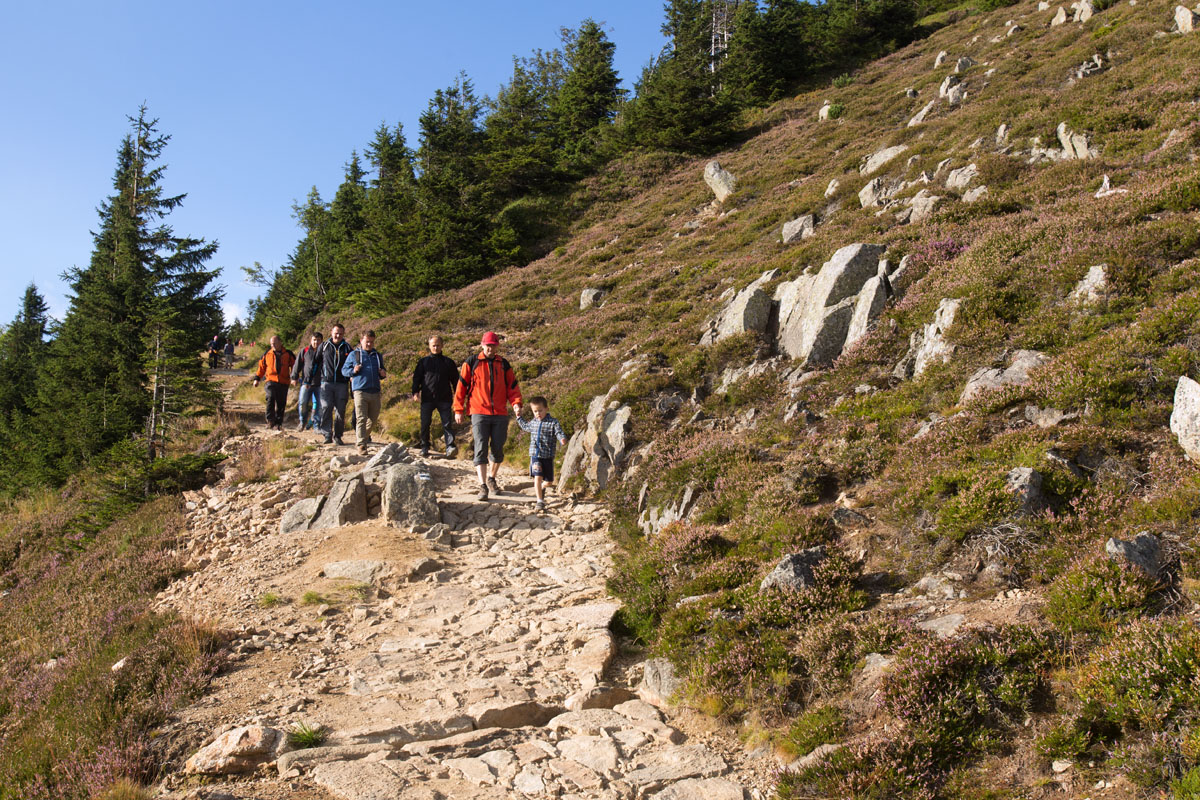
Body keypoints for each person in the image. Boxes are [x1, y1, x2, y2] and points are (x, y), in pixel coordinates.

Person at [453, 331, 523, 501]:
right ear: (482, 345)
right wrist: (458, 409)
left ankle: (492, 478)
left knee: (498, 448)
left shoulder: (504, 364)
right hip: (478, 412)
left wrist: (516, 403)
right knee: (481, 446)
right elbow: (461, 386)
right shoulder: (471, 362)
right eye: (488, 345)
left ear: (497, 346)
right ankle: (482, 485)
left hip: (500, 412)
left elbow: (512, 386)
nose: (490, 348)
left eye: (493, 345)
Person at [515, 396, 568, 512]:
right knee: (538, 476)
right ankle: (540, 501)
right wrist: (518, 416)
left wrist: (562, 438)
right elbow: (525, 426)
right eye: (535, 411)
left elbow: (558, 431)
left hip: (548, 456)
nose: (538, 413)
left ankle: (542, 487)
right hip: (535, 455)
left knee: (549, 482)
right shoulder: (533, 423)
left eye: (540, 410)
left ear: (546, 409)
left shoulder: (553, 422)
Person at [411, 335, 459, 458]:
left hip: (445, 398)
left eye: (438, 345)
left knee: (447, 423)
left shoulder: (448, 362)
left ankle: (450, 447)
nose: (436, 347)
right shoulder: (423, 362)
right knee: (425, 423)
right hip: (427, 398)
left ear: (442, 346)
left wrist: (458, 397)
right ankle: (424, 446)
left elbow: (456, 381)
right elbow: (417, 378)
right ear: (429, 346)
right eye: (433, 345)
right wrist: (415, 392)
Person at [342, 330, 387, 455]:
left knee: (373, 419)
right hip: (360, 391)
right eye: (367, 341)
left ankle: (360, 439)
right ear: (361, 340)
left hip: (375, 391)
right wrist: (353, 371)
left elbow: (382, 371)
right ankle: (362, 445)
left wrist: (383, 374)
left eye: (371, 342)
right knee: (361, 418)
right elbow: (344, 370)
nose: (369, 344)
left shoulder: (377, 355)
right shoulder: (354, 355)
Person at [315, 323, 353, 445]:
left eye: (340, 333)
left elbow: (352, 363)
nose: (338, 335)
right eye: (336, 333)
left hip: (342, 384)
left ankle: (338, 436)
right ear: (331, 332)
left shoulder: (347, 347)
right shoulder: (324, 346)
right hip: (326, 383)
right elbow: (316, 361)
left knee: (340, 411)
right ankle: (327, 434)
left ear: (343, 334)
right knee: (326, 407)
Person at [253, 335, 295, 430]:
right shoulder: (267, 354)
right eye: (271, 343)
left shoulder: (288, 354)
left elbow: (294, 366)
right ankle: (270, 421)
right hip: (270, 380)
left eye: (275, 343)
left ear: (280, 343)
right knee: (270, 397)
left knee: (281, 403)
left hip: (284, 381)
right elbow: (261, 368)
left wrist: (294, 377)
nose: (273, 345)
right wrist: (257, 379)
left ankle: (278, 423)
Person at [290, 331, 324, 432]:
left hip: (320, 383)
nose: (316, 342)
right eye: (314, 340)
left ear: (321, 341)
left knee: (320, 405)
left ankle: (317, 425)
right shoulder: (304, 351)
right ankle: (302, 421)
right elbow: (297, 365)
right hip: (306, 383)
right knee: (302, 403)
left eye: (318, 340)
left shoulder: (325, 352)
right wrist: (294, 377)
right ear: (311, 340)